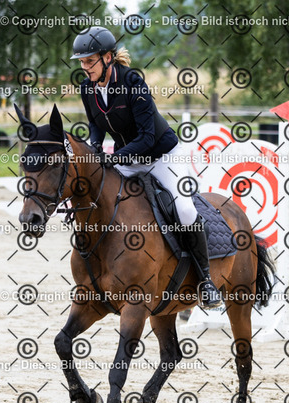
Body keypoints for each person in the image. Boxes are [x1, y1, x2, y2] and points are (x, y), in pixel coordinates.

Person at [70, 26, 221, 309]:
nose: (85, 67)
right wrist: (95, 146)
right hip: (127, 159)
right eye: (81, 62)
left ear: (107, 58)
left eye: (89, 61)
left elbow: (147, 137)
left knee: (184, 210)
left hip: (163, 156)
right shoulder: (87, 88)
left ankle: (205, 280)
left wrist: (115, 157)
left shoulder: (133, 83)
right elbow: (95, 123)